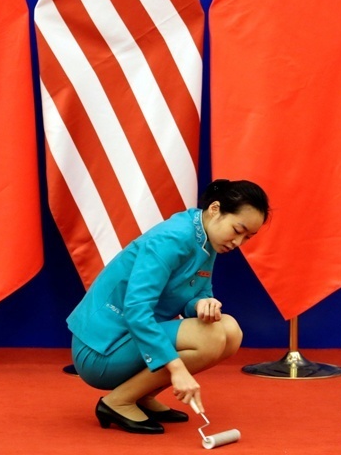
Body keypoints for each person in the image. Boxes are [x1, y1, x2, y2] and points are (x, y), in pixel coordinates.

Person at [67, 179, 270, 434]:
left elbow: (197, 292)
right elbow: (137, 310)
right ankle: (117, 402)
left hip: (131, 340)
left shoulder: (207, 237)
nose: (238, 242)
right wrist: (177, 369)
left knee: (230, 331)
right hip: (100, 351)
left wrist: (202, 304)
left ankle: (141, 395)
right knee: (211, 337)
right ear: (215, 209)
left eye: (247, 237)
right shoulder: (173, 237)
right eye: (237, 230)